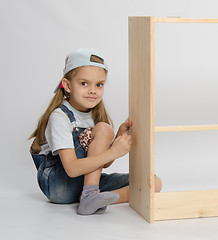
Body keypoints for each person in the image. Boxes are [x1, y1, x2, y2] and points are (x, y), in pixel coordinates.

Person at [29, 48, 162, 215]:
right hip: (59, 186)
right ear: (68, 85)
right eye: (84, 83)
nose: (93, 90)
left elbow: (101, 164)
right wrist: (114, 151)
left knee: (153, 183)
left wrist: (118, 138)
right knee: (104, 128)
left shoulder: (94, 115)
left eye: (99, 84)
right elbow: (72, 169)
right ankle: (91, 195)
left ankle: (93, 199)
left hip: (83, 183)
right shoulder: (60, 117)